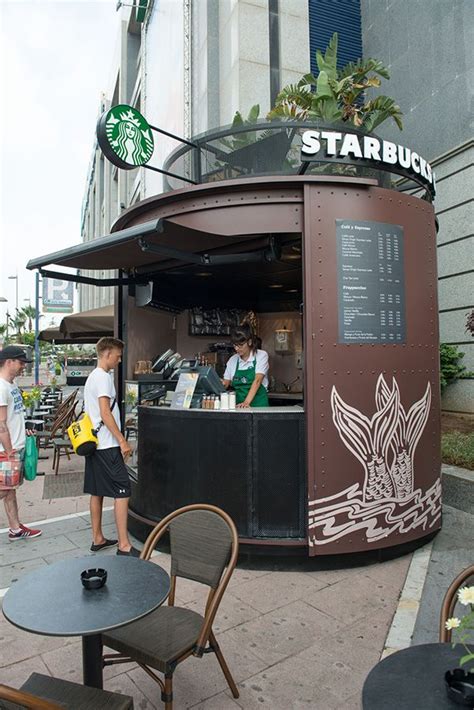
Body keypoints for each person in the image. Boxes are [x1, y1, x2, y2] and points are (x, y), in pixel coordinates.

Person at [83, 337, 139, 556]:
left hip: (95, 445)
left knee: (97, 491)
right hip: (107, 445)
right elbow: (105, 413)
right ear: (107, 354)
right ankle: (124, 545)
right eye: (117, 355)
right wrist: (122, 440)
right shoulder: (104, 378)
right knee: (123, 489)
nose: (119, 359)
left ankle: (98, 538)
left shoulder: (92, 377)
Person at [0, 346, 42, 541]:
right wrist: (10, 452)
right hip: (7, 450)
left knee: (10, 491)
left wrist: (24, 431)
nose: (23, 366)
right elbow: (0, 423)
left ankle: (15, 529)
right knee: (4, 489)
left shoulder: (11, 385)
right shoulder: (1, 387)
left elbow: (12, 417)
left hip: (15, 446)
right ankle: (16, 528)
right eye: (21, 362)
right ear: (9, 362)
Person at [223, 325, 269, 407]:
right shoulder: (232, 360)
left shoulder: (261, 355)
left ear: (249, 342)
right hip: (239, 407)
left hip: (259, 406)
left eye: (240, 345)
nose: (237, 349)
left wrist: (246, 403)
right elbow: (226, 383)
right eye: (235, 345)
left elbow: (257, 380)